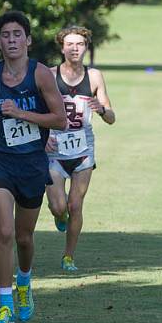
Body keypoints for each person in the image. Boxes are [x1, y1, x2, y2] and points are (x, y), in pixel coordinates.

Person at [0, 11, 67, 323]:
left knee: (24, 238)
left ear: (27, 40)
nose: (12, 40)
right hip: (0, 160)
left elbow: (60, 119)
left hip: (32, 163)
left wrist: (22, 113)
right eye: (6, 35)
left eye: (17, 34)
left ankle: (24, 283)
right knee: (5, 232)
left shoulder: (40, 75)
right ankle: (4, 305)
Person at [45, 26, 115, 272]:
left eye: (80, 44)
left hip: (83, 149)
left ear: (86, 47)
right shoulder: (49, 75)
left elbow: (111, 117)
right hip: (54, 149)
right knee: (59, 206)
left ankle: (68, 256)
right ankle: (59, 216)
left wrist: (102, 109)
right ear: (62, 47)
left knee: (76, 205)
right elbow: (37, 112)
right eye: (70, 44)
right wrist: (43, 138)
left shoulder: (94, 76)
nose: (75, 49)